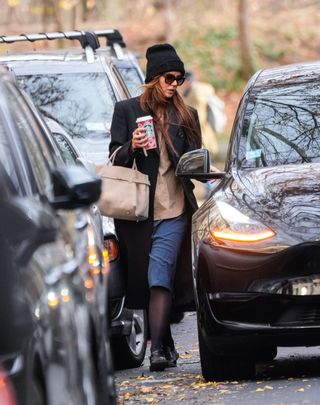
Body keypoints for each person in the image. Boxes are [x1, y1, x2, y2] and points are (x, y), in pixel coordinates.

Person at [109, 43, 202, 372]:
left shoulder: (187, 115)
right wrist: (130, 147)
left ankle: (158, 350)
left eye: (179, 78)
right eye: (168, 77)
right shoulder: (127, 110)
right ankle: (167, 343)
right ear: (153, 79)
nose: (174, 84)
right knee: (147, 281)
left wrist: (202, 169)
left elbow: (197, 159)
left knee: (159, 276)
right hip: (138, 214)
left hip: (174, 209)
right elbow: (113, 159)